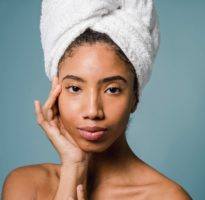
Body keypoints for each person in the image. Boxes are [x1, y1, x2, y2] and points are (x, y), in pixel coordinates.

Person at [1, 0, 192, 200]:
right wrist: (73, 167)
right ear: (56, 92)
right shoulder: (26, 186)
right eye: (75, 88)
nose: (93, 111)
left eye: (112, 90)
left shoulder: (167, 197)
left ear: (135, 97)